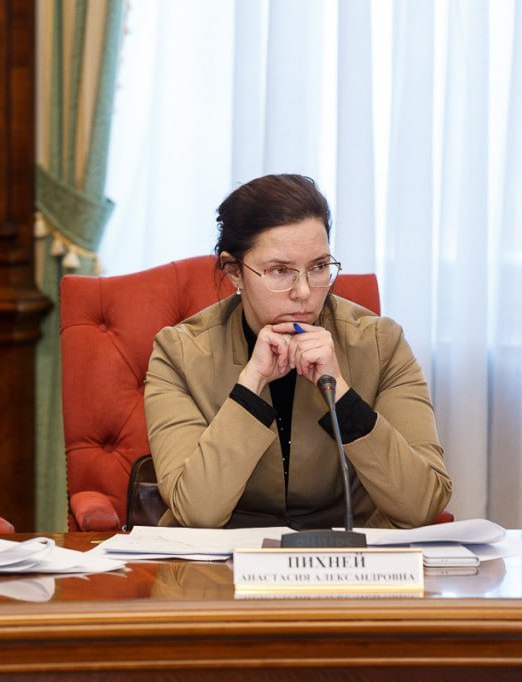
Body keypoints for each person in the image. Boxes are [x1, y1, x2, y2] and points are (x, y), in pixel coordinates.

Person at [144, 174, 452, 529]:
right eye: (280, 271)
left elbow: (421, 504)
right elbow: (197, 512)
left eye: (318, 267)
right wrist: (251, 384)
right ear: (234, 271)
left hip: (346, 553)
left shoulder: (381, 344)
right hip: (223, 554)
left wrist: (341, 392)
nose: (304, 292)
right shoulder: (179, 354)